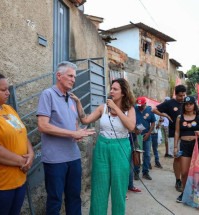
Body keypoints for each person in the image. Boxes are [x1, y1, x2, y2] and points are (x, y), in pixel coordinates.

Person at [37, 61, 95, 215]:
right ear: (59, 76)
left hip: (73, 157)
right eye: (70, 76)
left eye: (74, 77)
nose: (73, 79)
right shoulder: (47, 94)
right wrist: (72, 134)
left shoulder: (71, 99)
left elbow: (74, 124)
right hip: (55, 159)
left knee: (75, 197)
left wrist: (78, 133)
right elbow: (43, 126)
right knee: (55, 199)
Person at [71, 78, 136, 215]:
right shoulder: (103, 108)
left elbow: (131, 127)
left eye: (115, 89)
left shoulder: (129, 109)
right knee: (99, 188)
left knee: (119, 189)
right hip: (102, 147)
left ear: (123, 92)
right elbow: (85, 119)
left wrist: (116, 108)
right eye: (111, 88)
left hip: (120, 148)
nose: (111, 91)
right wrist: (78, 103)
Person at [0, 71, 34, 215]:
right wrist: (22, 162)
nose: (8, 93)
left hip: (19, 181)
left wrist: (30, 155)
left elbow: (22, 133)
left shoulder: (9, 109)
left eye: (8, 89)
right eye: (3, 90)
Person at [152, 85, 186, 192]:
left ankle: (186, 180)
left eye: (184, 95)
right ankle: (178, 181)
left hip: (186, 134)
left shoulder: (187, 103)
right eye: (180, 95)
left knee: (186, 158)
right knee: (177, 158)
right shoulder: (169, 103)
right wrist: (165, 115)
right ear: (175, 94)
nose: (182, 97)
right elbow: (154, 109)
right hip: (173, 134)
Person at [174, 96, 199, 203]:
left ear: (194, 105)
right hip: (184, 145)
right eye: (186, 104)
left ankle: (196, 194)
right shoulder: (180, 117)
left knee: (196, 172)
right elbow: (177, 132)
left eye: (190, 104)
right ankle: (184, 192)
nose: (188, 106)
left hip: (196, 146)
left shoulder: (198, 116)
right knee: (184, 172)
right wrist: (175, 146)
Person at [134, 97, 156, 180]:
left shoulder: (150, 110)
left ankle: (145, 172)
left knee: (147, 154)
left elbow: (153, 123)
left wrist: (148, 133)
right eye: (138, 105)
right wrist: (135, 129)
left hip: (146, 135)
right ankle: (136, 172)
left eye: (141, 105)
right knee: (136, 153)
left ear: (145, 104)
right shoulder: (134, 109)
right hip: (136, 135)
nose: (139, 107)